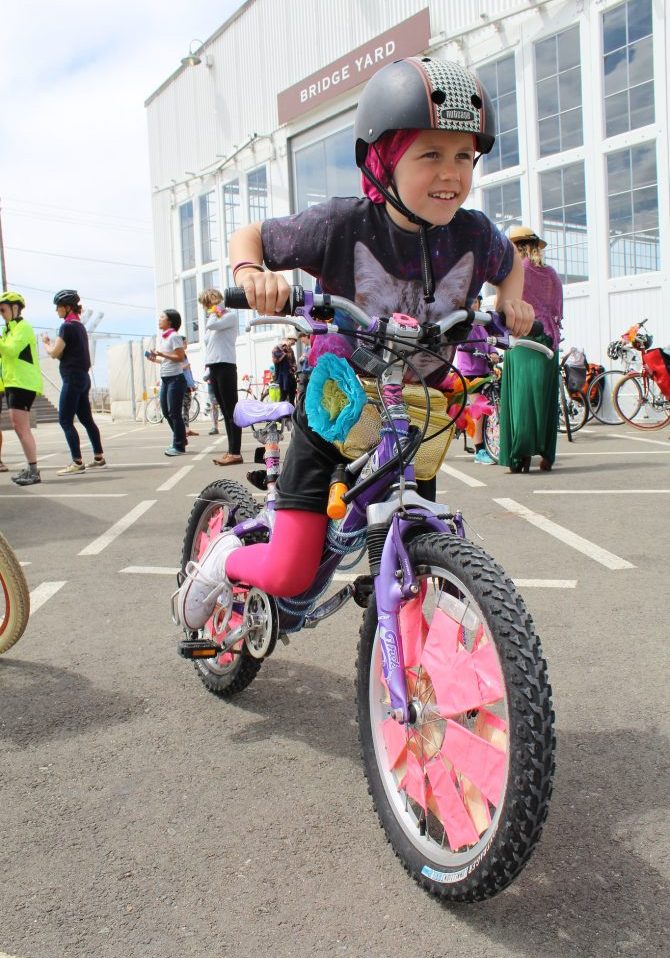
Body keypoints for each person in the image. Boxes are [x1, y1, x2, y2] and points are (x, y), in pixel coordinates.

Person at [174, 55, 535, 631]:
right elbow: (253, 237)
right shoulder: (342, 225)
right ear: (383, 160)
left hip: (411, 414)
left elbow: (510, 264)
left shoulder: (473, 232)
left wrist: (513, 300)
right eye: (431, 154)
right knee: (292, 571)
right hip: (336, 407)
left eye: (465, 155)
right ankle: (223, 563)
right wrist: (251, 274)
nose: (452, 173)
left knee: (413, 540)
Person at [498, 225, 562, 473]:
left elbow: (503, 306)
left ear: (516, 247)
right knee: (545, 400)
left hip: (524, 338)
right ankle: (547, 455)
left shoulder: (517, 270)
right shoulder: (552, 274)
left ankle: (520, 456)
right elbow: (557, 312)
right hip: (549, 341)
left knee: (521, 400)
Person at [41, 289, 106, 474]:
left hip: (72, 378)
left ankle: (77, 462)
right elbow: (63, 352)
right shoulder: (79, 326)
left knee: (65, 420)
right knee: (86, 419)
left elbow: (54, 353)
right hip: (83, 378)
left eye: (58, 307)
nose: (56, 311)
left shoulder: (67, 326)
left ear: (67, 307)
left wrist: (46, 342)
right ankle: (99, 457)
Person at [0, 291, 43, 486]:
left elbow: (9, 350)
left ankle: (34, 471)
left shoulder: (23, 327)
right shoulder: (8, 330)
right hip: (12, 382)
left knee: (21, 427)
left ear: (15, 308)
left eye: (3, 310)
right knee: (19, 427)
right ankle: (31, 468)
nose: (1, 314)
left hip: (23, 383)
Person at [454, 293, 500, 465]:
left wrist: (494, 352)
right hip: (470, 372)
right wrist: (468, 348)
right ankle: (479, 450)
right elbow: (459, 342)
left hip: (485, 369)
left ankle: (492, 444)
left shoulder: (484, 322)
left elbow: (490, 342)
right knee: (479, 410)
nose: (475, 304)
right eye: (472, 301)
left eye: (476, 301)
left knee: (491, 407)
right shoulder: (462, 322)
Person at [199, 288, 243, 466]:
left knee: (232, 410)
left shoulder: (229, 316)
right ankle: (231, 450)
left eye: (207, 305)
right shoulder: (217, 317)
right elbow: (210, 344)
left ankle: (236, 452)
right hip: (215, 368)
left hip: (226, 366)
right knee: (225, 411)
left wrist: (217, 307)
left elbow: (211, 324)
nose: (206, 309)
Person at [146, 309, 187, 456]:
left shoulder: (174, 336)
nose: (159, 319)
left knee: (174, 413)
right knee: (166, 412)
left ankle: (179, 446)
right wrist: (154, 358)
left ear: (170, 321)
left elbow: (180, 357)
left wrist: (161, 353)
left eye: (162, 317)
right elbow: (167, 360)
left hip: (176, 379)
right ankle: (181, 438)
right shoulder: (164, 338)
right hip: (166, 379)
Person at [271, 336, 297, 404]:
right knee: (283, 397)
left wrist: (294, 368)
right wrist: (284, 354)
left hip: (290, 376)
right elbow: (275, 360)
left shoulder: (291, 350)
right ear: (287, 340)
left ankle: (291, 413)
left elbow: (294, 362)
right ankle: (281, 413)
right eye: (292, 343)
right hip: (281, 377)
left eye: (293, 344)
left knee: (292, 397)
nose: (292, 345)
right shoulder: (277, 348)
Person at [181, 343, 199, 438]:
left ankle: (186, 429)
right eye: (184, 342)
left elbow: (189, 372)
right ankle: (184, 430)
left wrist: (192, 383)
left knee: (186, 408)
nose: (186, 344)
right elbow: (177, 368)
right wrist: (185, 366)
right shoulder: (179, 354)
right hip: (182, 385)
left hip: (187, 385)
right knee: (184, 408)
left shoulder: (184, 355)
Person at [203, 369, 220, 435]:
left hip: (221, 387)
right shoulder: (209, 367)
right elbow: (204, 378)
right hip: (212, 389)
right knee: (214, 407)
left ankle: (232, 424)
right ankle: (215, 428)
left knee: (226, 406)